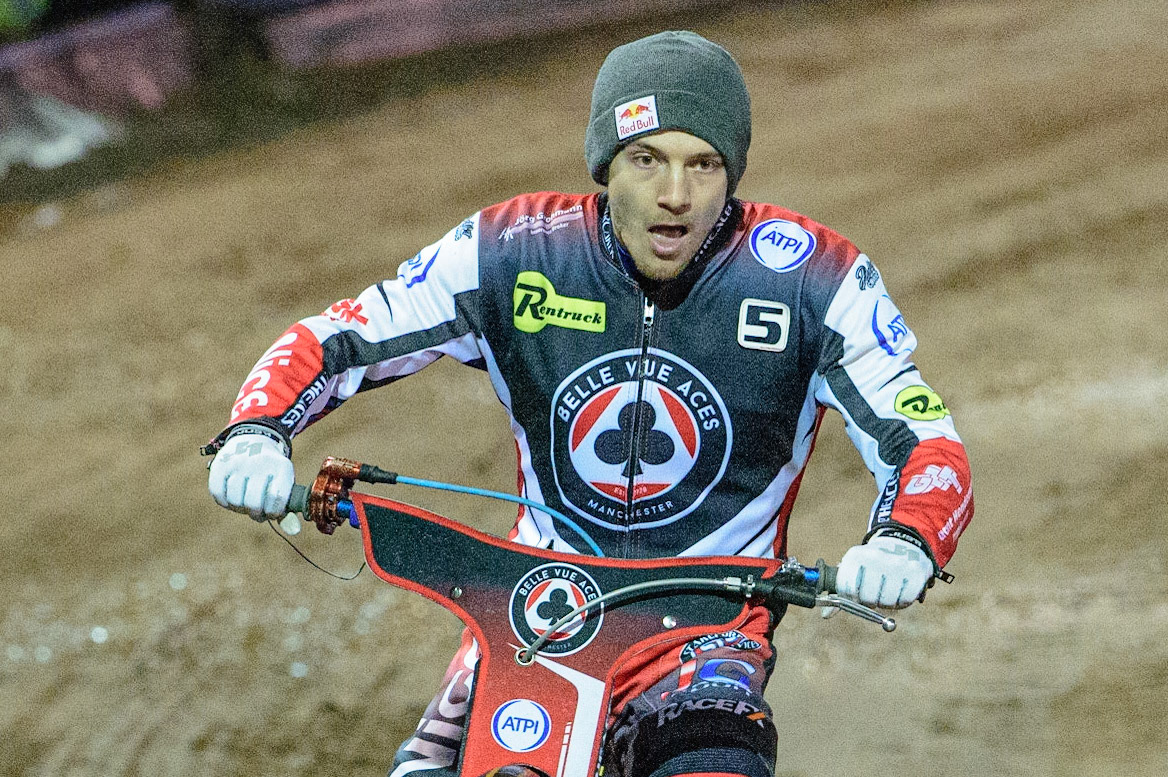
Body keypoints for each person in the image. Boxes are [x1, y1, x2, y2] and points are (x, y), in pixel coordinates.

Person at [205, 30, 973, 777]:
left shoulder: (816, 280)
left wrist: (905, 538)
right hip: (534, 614)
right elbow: (338, 338)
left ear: (732, 172)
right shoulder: (512, 250)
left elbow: (923, 441)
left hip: (704, 636)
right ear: (606, 163)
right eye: (647, 159)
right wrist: (256, 431)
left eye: (704, 164)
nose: (675, 195)